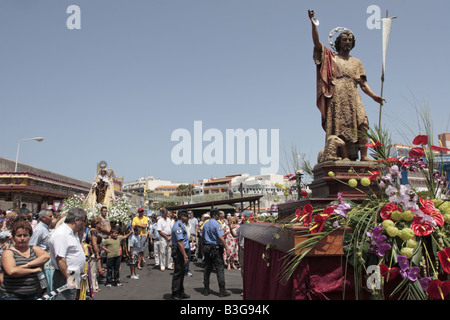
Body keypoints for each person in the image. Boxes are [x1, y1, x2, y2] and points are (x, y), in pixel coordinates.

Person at [308, 9, 385, 162]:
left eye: (350, 40)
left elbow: (363, 84)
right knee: (339, 126)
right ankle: (343, 156)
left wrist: (374, 96)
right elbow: (317, 44)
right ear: (338, 42)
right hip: (338, 94)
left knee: (363, 123)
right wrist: (313, 24)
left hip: (354, 94)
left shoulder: (357, 62)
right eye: (344, 40)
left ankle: (363, 156)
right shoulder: (331, 58)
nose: (347, 42)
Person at [0, 220, 50, 300]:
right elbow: (12, 271)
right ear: (14, 237)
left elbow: (46, 256)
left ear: (30, 236)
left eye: (25, 235)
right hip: (12, 295)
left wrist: (28, 264)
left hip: (34, 294)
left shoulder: (34, 249)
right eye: (19, 235)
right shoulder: (8, 252)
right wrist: (33, 270)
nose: (22, 238)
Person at [49, 207, 88, 300]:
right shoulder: (61, 234)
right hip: (65, 276)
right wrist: (69, 278)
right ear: (76, 221)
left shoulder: (72, 233)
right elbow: (60, 259)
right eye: (83, 221)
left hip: (74, 274)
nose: (84, 225)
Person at [201, 209, 230, 297]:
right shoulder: (217, 224)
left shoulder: (205, 224)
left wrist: (202, 248)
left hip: (206, 247)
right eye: (218, 214)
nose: (219, 216)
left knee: (207, 268)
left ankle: (206, 289)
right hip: (215, 248)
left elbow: (202, 237)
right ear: (214, 215)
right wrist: (227, 248)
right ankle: (222, 290)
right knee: (219, 269)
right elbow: (221, 238)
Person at [29, 209, 54, 291]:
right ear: (43, 218)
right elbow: (32, 245)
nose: (52, 218)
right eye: (50, 216)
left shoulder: (45, 228)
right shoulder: (39, 229)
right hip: (41, 262)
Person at [170, 209, 190, 300]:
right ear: (182, 216)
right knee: (178, 272)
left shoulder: (181, 225)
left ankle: (180, 291)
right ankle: (175, 293)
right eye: (186, 216)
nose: (187, 217)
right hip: (179, 251)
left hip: (182, 250)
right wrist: (185, 255)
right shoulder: (178, 226)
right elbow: (180, 242)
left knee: (182, 272)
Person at [86, 216, 104, 292]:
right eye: (100, 223)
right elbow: (94, 243)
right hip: (92, 253)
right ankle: (92, 287)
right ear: (96, 224)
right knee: (92, 271)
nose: (101, 225)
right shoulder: (93, 231)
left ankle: (95, 286)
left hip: (94, 252)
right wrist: (96, 254)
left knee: (94, 270)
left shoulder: (95, 231)